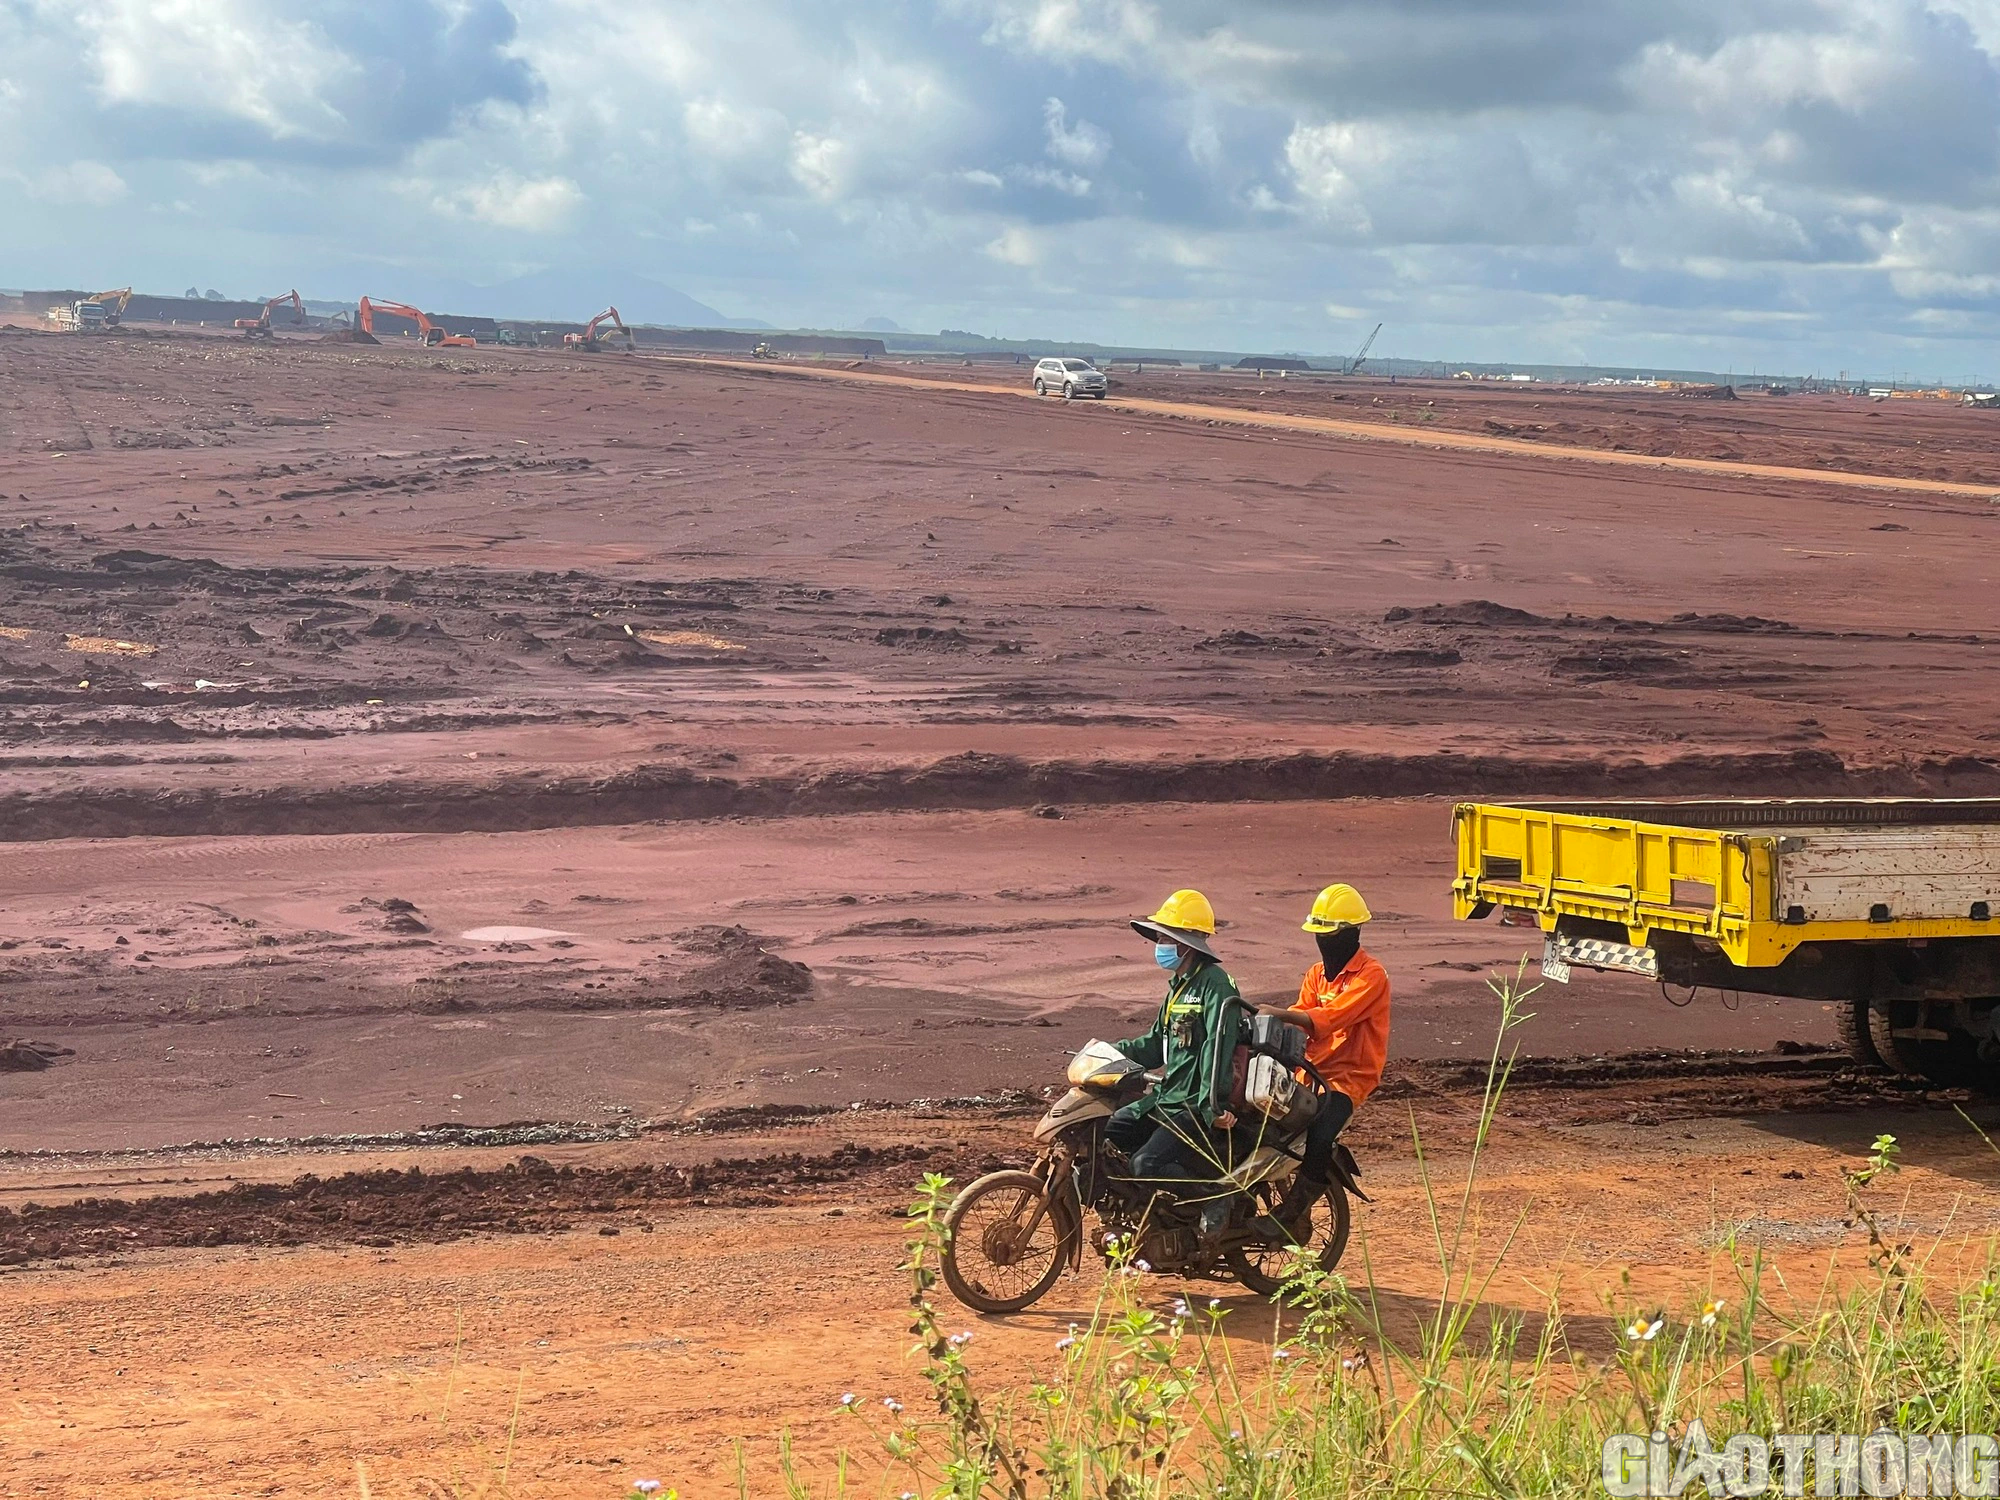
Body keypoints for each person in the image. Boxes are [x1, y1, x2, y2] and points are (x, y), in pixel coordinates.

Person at [1107, 888, 1249, 1245]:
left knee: (1145, 1165)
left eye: (1164, 936)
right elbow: (1157, 1044)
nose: (1159, 943)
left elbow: (1218, 1049)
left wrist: (1211, 1106)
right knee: (1110, 1132)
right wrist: (1110, 1053)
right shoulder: (1178, 988)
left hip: (1192, 1104)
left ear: (1185, 942)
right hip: (1165, 1098)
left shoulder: (1216, 985)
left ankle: (1213, 1196)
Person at [1261, 883, 1390, 1227]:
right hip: (1310, 1072)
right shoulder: (1316, 974)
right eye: (1318, 934)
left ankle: (1295, 1209)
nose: (1322, 941)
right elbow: (1302, 1014)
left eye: (1328, 934)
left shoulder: (1371, 976)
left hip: (1349, 1079)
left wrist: (1280, 1014)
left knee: (1320, 1135)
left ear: (1351, 933)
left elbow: (1333, 1017)